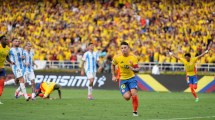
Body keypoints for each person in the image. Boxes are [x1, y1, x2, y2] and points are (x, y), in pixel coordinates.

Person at [111, 41, 140, 116]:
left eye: (125, 48)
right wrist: (113, 75)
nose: (123, 49)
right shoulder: (117, 57)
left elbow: (137, 70)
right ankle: (131, 90)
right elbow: (113, 65)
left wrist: (132, 69)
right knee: (127, 97)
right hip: (122, 79)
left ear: (128, 48)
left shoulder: (133, 58)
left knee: (134, 93)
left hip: (131, 78)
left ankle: (135, 112)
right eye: (122, 48)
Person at [0, 35, 13, 104]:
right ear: (1, 40)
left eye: (7, 39)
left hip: (2, 68)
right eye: (5, 39)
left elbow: (7, 57)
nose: (6, 41)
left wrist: (11, 62)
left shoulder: (8, 48)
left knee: (1, 84)